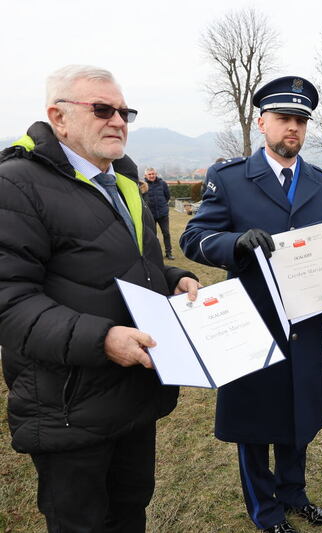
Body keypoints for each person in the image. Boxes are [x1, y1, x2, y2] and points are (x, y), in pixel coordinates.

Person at [0, 65, 200, 532]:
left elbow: (123, 262)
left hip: (133, 398)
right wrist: (102, 338)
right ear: (59, 117)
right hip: (68, 407)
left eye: (124, 111)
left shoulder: (122, 181)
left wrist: (172, 277)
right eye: (103, 109)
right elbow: (9, 300)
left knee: (130, 513)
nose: (118, 121)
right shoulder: (16, 184)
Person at [180, 75, 322, 533]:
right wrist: (236, 242)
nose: (292, 128)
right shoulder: (230, 177)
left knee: (299, 417)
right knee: (256, 425)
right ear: (262, 123)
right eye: (283, 119)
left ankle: (294, 494)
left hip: (306, 321)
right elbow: (194, 239)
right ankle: (267, 512)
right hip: (252, 321)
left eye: (300, 120)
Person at [143, 167, 174, 259]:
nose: (152, 176)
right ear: (145, 175)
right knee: (153, 235)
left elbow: (167, 196)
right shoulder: (142, 185)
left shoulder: (162, 184)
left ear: (156, 174)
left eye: (153, 174)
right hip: (150, 215)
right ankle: (155, 254)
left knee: (166, 233)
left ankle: (169, 253)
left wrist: (163, 206)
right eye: (149, 174)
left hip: (163, 213)